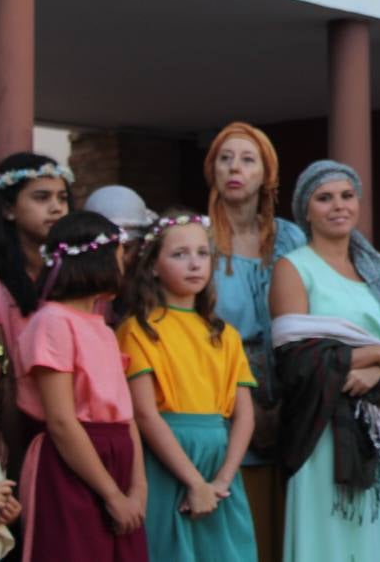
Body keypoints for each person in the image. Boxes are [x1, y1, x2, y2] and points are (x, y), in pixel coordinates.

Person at [270, 160, 380, 562]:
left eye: (347, 196)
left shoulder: (379, 270)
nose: (338, 206)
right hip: (323, 431)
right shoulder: (293, 267)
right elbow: (293, 357)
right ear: (306, 209)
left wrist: (376, 367)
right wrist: (371, 353)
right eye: (324, 198)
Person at [117, 210, 258, 562]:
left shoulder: (225, 335)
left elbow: (244, 416)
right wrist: (194, 483)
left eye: (202, 253)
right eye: (179, 254)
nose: (194, 263)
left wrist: (222, 480)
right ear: (152, 266)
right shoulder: (138, 330)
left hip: (219, 462)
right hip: (169, 459)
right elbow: (146, 415)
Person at [15, 211, 147, 561]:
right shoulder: (53, 322)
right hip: (74, 466)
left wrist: (137, 487)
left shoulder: (102, 327)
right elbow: (61, 421)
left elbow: (125, 415)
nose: (126, 267)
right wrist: (112, 494)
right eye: (121, 258)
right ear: (98, 260)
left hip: (117, 462)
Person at [203, 122, 305, 562]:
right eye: (225, 159)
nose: (235, 168)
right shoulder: (198, 239)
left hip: (287, 387)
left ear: (267, 173)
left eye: (247, 159)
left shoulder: (289, 237)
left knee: (284, 521)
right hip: (221, 390)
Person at [0, 154, 72, 479]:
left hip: (73, 422)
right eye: (42, 197)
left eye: (62, 198)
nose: (56, 208)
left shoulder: (76, 278)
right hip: (16, 423)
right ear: (8, 209)